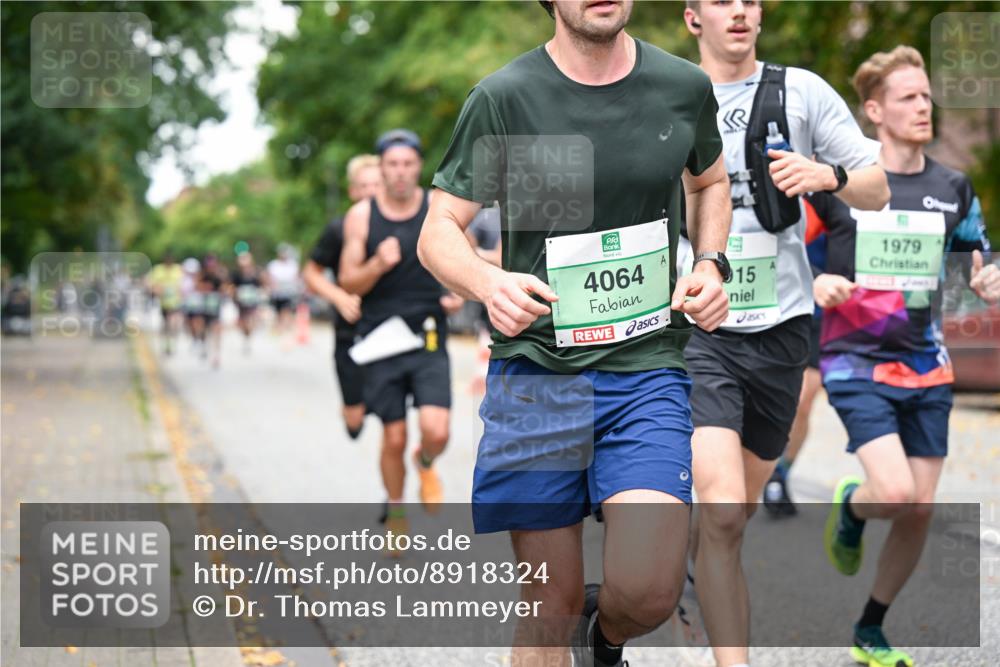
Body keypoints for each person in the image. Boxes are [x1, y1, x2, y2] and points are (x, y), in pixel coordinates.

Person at [419, 1, 732, 664]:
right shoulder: (504, 98)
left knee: (649, 589)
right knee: (547, 608)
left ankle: (607, 637)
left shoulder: (682, 87)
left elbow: (709, 183)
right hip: (537, 375)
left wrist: (709, 261)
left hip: (646, 369)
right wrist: (487, 282)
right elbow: (437, 229)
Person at [679, 2, 890, 665]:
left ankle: (691, 569)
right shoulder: (668, 96)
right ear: (692, 19)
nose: (738, 11)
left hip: (782, 327)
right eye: (721, 1)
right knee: (718, 510)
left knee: (733, 513)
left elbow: (878, 188)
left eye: (749, 0)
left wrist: (828, 176)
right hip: (702, 324)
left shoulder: (801, 91)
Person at [811, 45, 998, 667]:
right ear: (874, 111)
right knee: (890, 490)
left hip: (927, 361)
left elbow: (977, 261)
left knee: (919, 507)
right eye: (908, 97)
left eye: (926, 95)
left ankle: (871, 626)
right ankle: (853, 505)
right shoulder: (840, 186)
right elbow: (794, 259)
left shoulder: (952, 186)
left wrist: (988, 278)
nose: (924, 106)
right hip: (853, 358)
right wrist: (817, 284)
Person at [339, 129, 463, 537]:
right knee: (393, 438)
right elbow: (348, 282)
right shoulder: (361, 216)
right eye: (392, 164)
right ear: (381, 167)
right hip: (381, 337)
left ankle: (425, 462)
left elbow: (462, 259)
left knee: (437, 430)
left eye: (408, 163)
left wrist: (459, 291)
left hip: (428, 332)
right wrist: (376, 264)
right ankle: (396, 511)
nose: (400, 172)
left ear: (418, 166)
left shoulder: (435, 208)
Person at [302, 154, 378, 440]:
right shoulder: (339, 228)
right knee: (355, 425)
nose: (371, 191)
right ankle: (352, 410)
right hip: (351, 331)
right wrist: (339, 297)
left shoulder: (403, 226)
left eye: (376, 184)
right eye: (364, 185)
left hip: (391, 330)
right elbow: (310, 273)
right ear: (353, 191)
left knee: (396, 422)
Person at [762, 197, 828, 517]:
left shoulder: (831, 187)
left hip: (816, 308)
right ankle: (754, 469)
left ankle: (779, 473)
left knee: (803, 400)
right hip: (764, 304)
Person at [147, 253, 184, 356]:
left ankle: (171, 343)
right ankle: (165, 343)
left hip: (176, 301)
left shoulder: (178, 269)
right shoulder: (158, 270)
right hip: (164, 302)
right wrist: (156, 289)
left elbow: (184, 284)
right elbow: (150, 283)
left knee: (174, 322)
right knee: (166, 323)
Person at [231, 251, 266, 355]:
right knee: (242, 322)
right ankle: (246, 336)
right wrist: (234, 294)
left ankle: (249, 336)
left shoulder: (256, 272)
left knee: (251, 320)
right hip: (241, 302)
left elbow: (263, 284)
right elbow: (231, 286)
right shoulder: (237, 274)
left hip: (253, 301)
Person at [267, 244, 301, 334]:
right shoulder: (273, 265)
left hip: (289, 292)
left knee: (286, 310)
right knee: (278, 312)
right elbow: (270, 278)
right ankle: (280, 327)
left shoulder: (292, 265)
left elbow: (296, 277)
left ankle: (285, 328)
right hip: (277, 293)